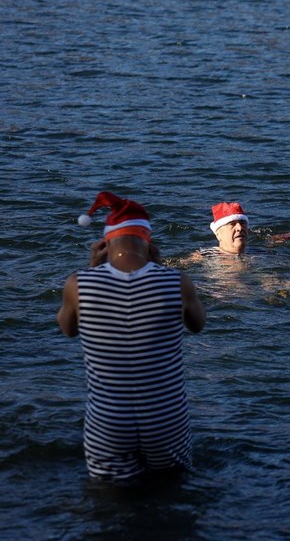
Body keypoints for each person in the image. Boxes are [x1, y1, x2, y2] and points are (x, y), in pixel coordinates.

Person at [56, 191, 206, 482]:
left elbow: (68, 329)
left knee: (109, 497)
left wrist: (92, 268)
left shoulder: (79, 283)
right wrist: (160, 269)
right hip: (166, 418)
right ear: (148, 242)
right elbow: (198, 324)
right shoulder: (177, 282)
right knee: (173, 488)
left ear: (105, 242)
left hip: (108, 422)